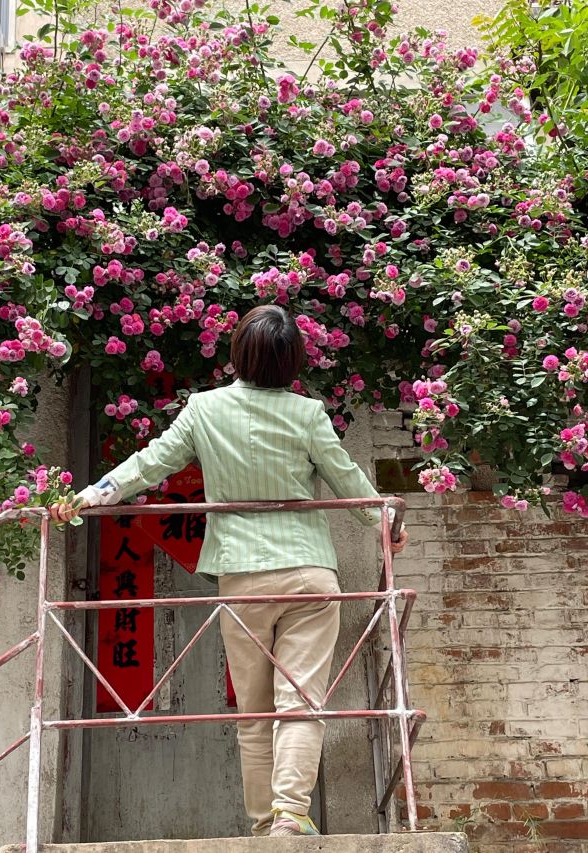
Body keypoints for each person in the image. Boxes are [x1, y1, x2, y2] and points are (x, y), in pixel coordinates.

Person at [50, 304, 408, 838]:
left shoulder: (204, 409)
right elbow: (352, 485)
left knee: (255, 710)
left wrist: (89, 496)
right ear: (293, 361)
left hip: (243, 580)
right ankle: (290, 817)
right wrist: (390, 522)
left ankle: (265, 824)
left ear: (238, 352)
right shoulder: (308, 415)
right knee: (301, 703)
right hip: (310, 575)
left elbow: (151, 462)